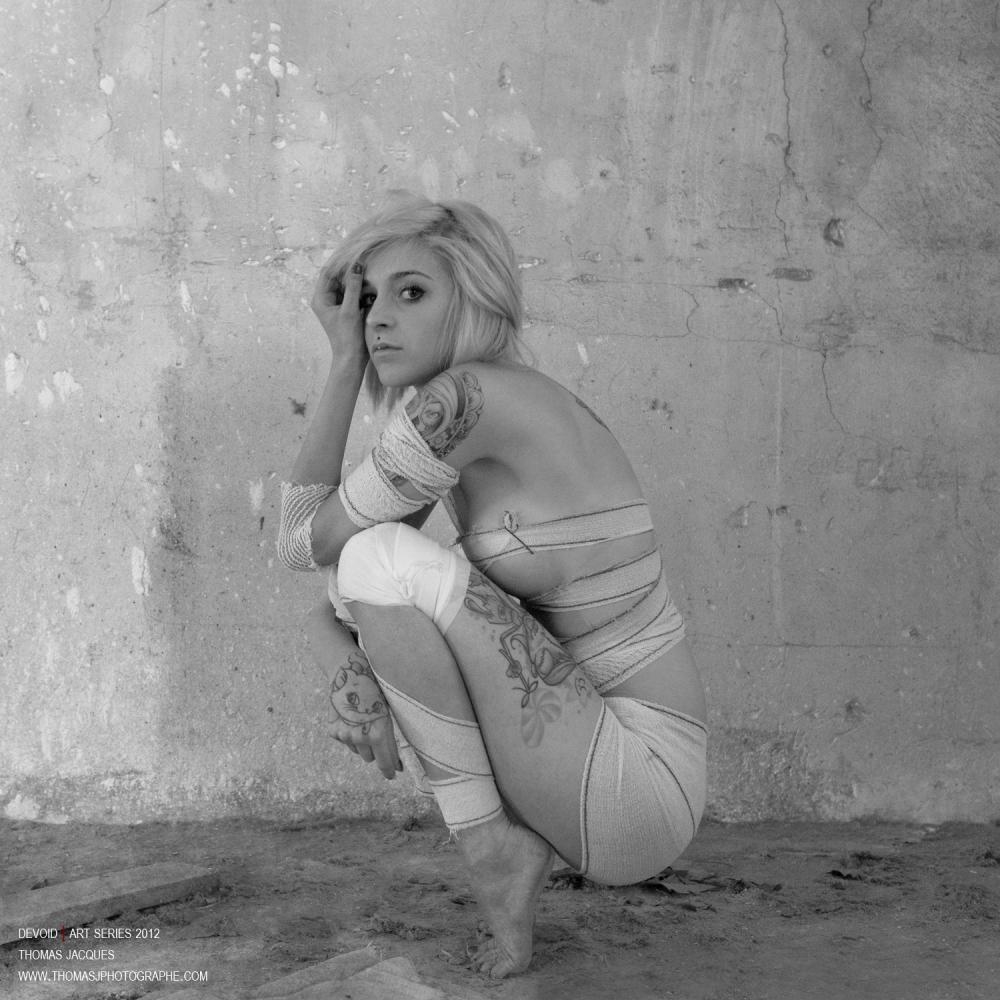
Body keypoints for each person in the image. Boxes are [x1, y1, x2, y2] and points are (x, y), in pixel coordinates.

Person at [277, 194, 707, 979]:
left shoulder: (465, 403)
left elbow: (304, 540)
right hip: (595, 771)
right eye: (367, 300)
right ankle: (497, 848)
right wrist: (329, 634)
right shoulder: (478, 406)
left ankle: (492, 851)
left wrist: (341, 368)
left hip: (636, 783)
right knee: (372, 567)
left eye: (412, 292)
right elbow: (341, 575)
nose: (377, 321)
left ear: (473, 298)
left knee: (377, 557)